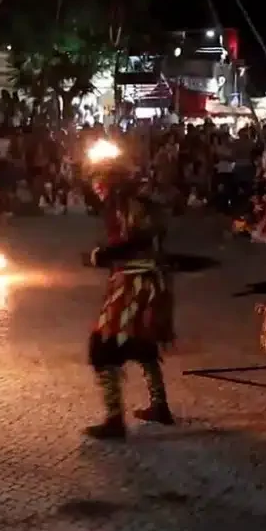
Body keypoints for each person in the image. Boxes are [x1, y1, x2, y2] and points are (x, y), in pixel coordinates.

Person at [80, 163, 176, 440]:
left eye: (100, 181)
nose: (96, 187)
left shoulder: (131, 205)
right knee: (142, 343)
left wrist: (101, 255)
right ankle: (160, 406)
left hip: (137, 284)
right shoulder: (125, 204)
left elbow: (136, 239)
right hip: (140, 280)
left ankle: (114, 419)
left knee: (103, 346)